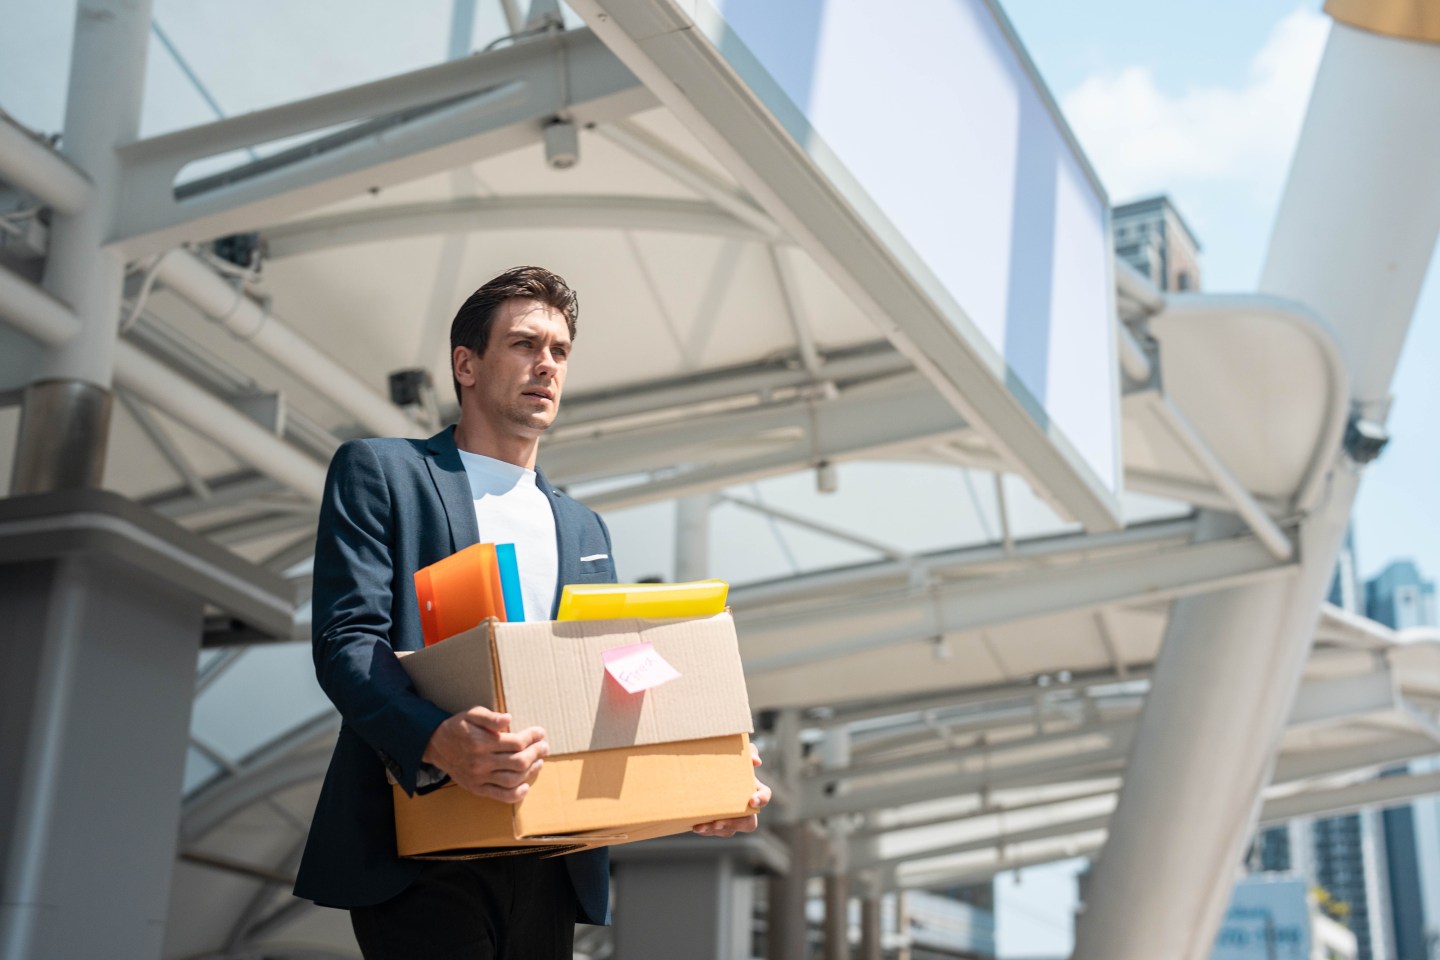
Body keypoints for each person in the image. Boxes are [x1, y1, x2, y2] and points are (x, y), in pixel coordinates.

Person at [293, 266, 770, 959]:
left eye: (560, 351)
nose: (545, 365)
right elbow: (347, 641)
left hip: (550, 853)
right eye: (524, 344)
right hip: (421, 843)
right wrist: (437, 739)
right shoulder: (381, 473)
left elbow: (608, 675)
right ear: (466, 364)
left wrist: (706, 769)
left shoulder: (585, 528)